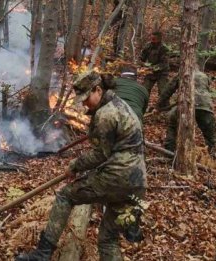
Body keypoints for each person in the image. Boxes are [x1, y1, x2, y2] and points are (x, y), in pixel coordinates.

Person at [15, 70, 147, 261]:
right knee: (108, 239)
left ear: (98, 90)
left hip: (116, 178)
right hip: (137, 184)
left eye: (86, 98)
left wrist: (75, 165)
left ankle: (42, 255)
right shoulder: (119, 105)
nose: (84, 103)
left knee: (65, 196)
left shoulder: (106, 114)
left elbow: (100, 154)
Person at [158, 69, 216, 160]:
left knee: (173, 126)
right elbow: (207, 90)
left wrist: (159, 106)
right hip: (205, 107)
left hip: (186, 105)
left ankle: (169, 153)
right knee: (211, 134)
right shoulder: (204, 76)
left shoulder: (182, 73)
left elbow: (168, 90)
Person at [140, 31, 170, 99]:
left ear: (159, 39)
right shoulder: (148, 46)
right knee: (144, 90)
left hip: (162, 73)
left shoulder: (164, 48)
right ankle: (142, 106)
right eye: (151, 38)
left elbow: (164, 64)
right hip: (151, 72)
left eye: (154, 39)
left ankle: (163, 108)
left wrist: (152, 68)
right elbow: (142, 57)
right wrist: (140, 64)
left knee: (163, 92)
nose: (152, 40)